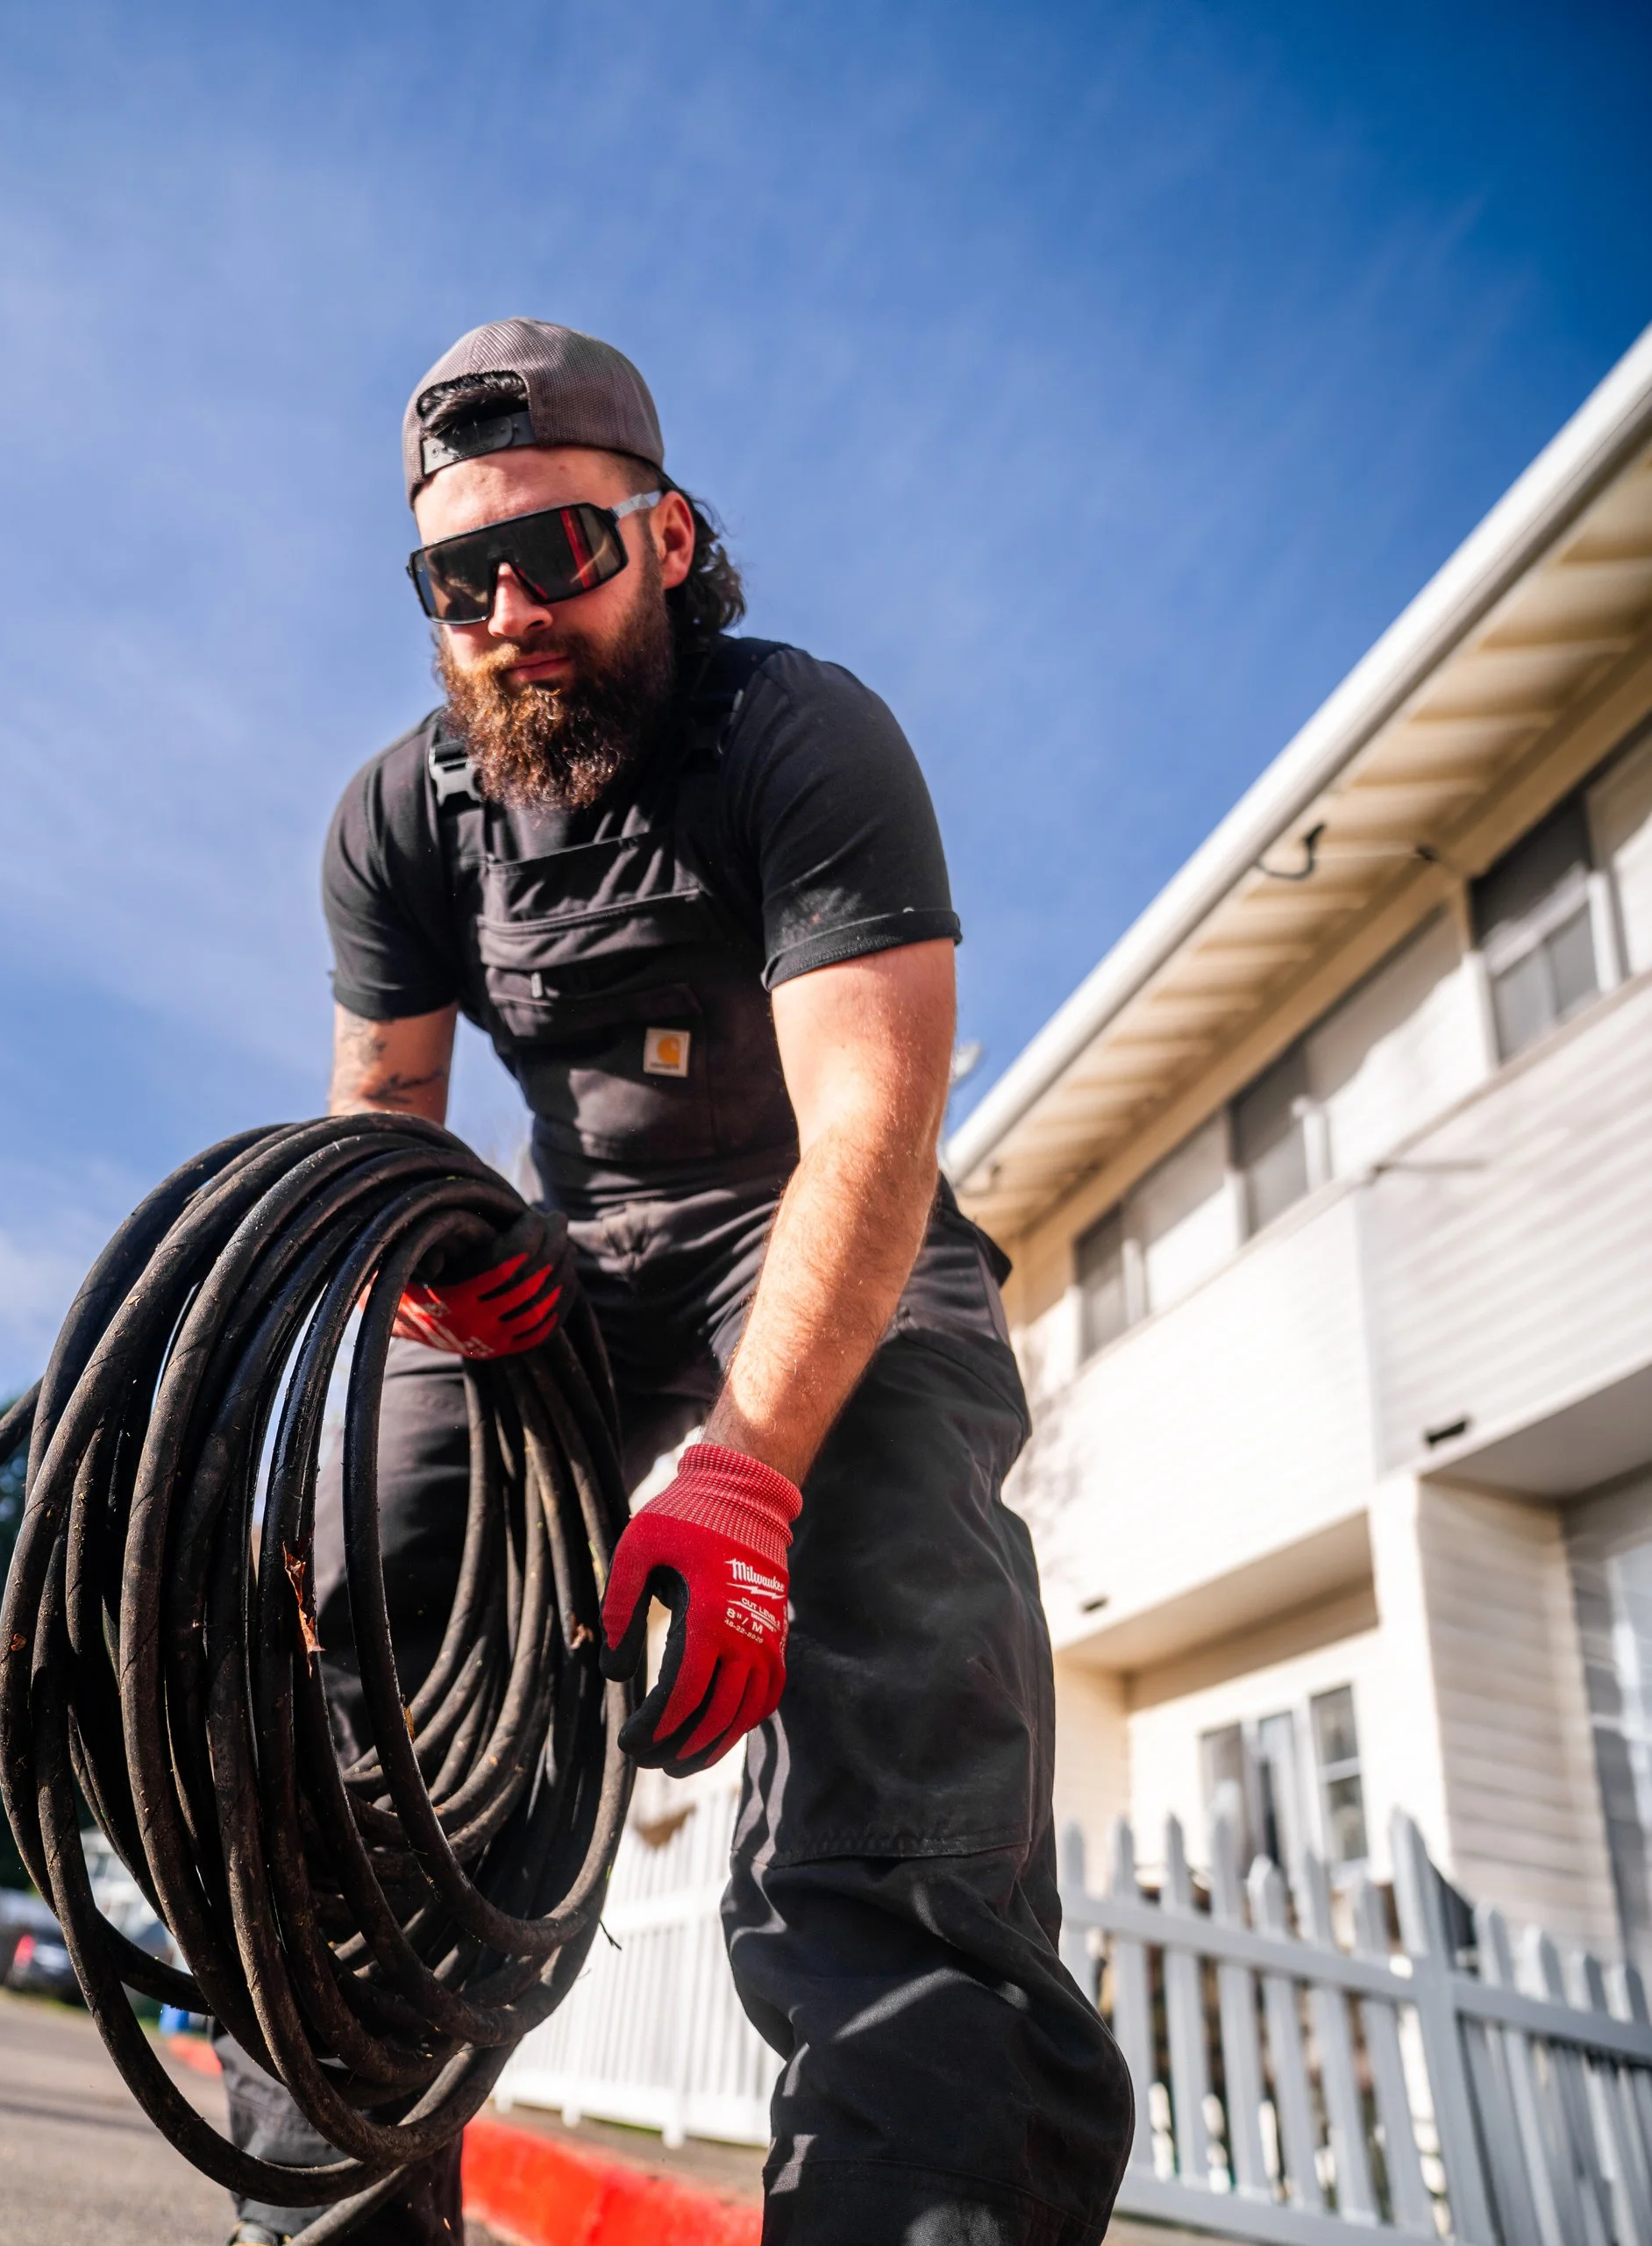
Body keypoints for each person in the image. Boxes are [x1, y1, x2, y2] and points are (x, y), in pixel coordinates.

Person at [217, 319, 1133, 2246]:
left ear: (664, 534)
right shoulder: (398, 818)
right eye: (455, 578)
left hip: (814, 1223)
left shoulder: (796, 733)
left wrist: (741, 1474)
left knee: (892, 1680)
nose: (504, 611)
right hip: (559, 1283)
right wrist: (427, 1266)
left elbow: (871, 1112)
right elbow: (381, 1119)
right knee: (364, 1650)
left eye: (554, 552)